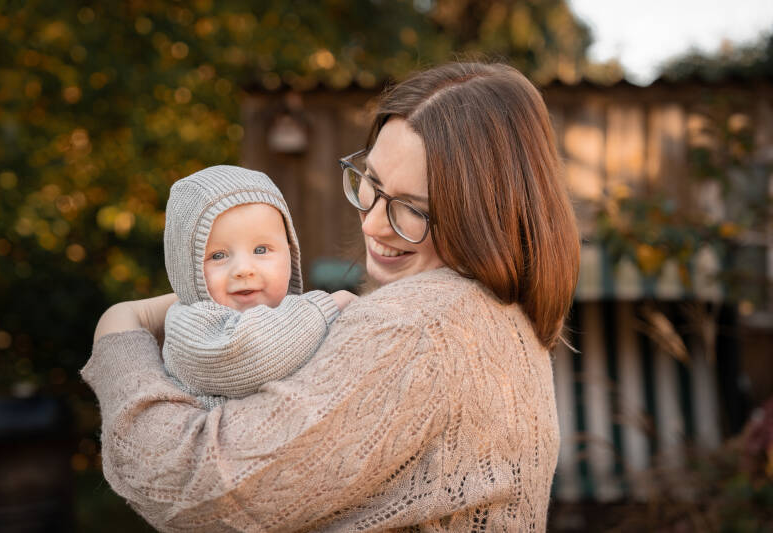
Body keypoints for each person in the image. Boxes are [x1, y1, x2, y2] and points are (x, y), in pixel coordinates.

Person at [83, 62, 580, 531]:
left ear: (485, 216)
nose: (371, 222)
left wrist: (121, 335)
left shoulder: (415, 328)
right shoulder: (493, 312)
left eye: (411, 208)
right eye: (373, 184)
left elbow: (196, 484)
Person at [160, 165, 356, 408]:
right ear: (185, 267)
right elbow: (252, 352)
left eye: (261, 250)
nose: (244, 269)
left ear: (290, 253)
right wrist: (327, 306)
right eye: (219, 255)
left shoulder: (290, 315)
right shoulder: (189, 325)